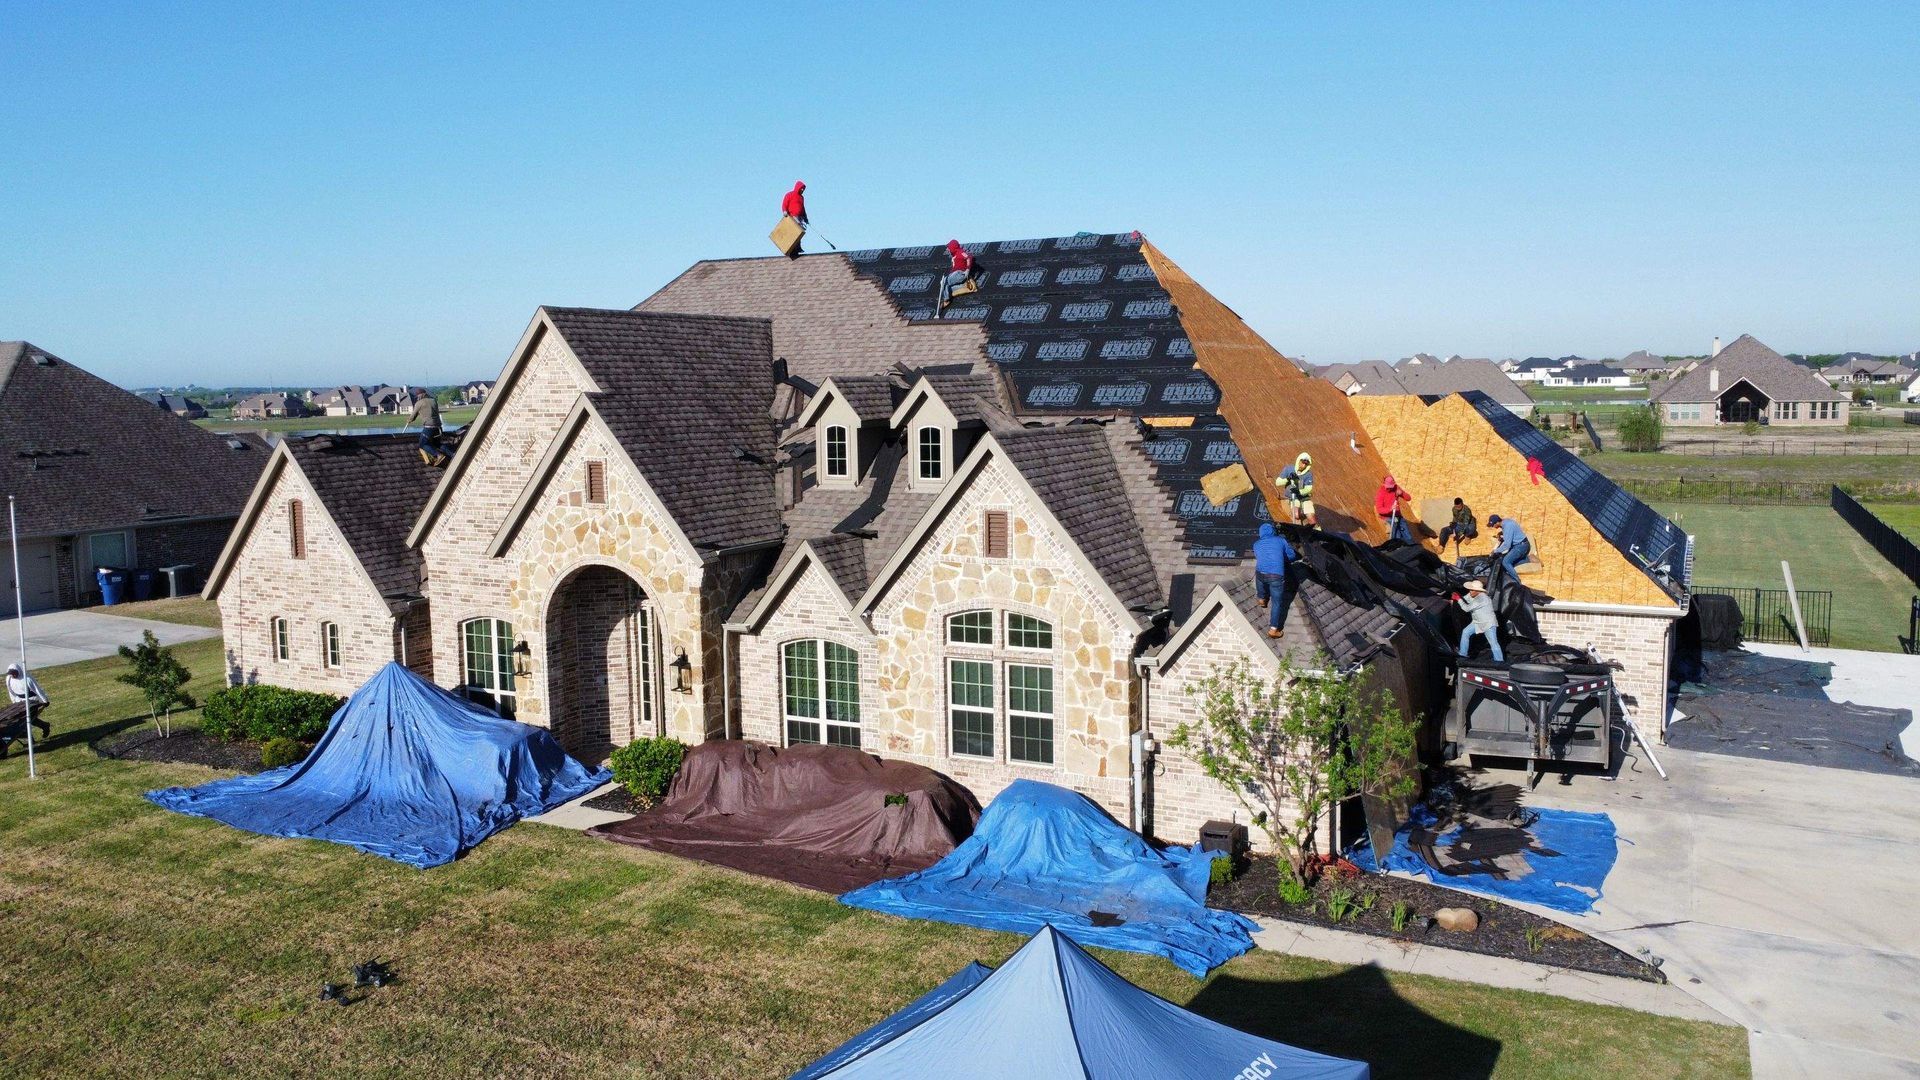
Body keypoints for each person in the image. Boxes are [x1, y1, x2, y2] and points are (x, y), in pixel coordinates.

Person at [1252, 522, 1297, 639]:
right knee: (1277, 602)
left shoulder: (1256, 544)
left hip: (1260, 574)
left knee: (1260, 577)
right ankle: (1273, 629)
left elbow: (1259, 556)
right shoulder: (1281, 540)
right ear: (1273, 531)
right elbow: (1291, 555)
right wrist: (1282, 559)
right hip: (1276, 576)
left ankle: (1262, 599)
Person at [2, 662, 51, 758]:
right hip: (20, 702)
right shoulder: (9, 679)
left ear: (18, 671)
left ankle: (33, 735)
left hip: (32, 701)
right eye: (11, 673)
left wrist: (45, 700)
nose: (13, 675)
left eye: (14, 673)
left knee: (28, 719)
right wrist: (14, 704)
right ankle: (43, 727)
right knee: (23, 720)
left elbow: (37, 689)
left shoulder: (27, 678)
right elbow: (11, 692)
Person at [1454, 579, 1503, 662]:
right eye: (1470, 590)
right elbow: (1465, 598)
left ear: (1478, 591)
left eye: (1472, 590)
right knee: (1465, 632)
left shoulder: (1482, 599)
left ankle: (1499, 660)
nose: (1470, 592)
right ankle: (1463, 653)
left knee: (1493, 642)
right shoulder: (1473, 594)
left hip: (1488, 623)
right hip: (1477, 622)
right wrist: (1457, 597)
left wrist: (1458, 599)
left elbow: (1467, 608)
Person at [936, 239, 976, 317]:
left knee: (944, 282)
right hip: (955, 274)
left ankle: (946, 300)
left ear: (953, 247)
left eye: (949, 247)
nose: (948, 249)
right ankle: (963, 286)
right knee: (946, 286)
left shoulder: (959, 252)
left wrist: (967, 270)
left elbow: (969, 257)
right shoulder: (954, 255)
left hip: (959, 273)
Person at [1277, 453, 1317, 528]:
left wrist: (1299, 492)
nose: (1303, 465)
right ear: (1298, 460)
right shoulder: (1288, 469)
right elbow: (1277, 483)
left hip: (1304, 497)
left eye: (1306, 464)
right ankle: (1301, 513)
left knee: (1312, 520)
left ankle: (1315, 531)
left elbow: (1309, 488)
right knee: (1296, 515)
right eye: (1302, 462)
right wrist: (1288, 478)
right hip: (1293, 498)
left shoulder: (1308, 474)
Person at [409, 392, 448, 466]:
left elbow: (413, 416)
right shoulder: (433, 401)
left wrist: (409, 420)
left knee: (422, 444)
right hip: (438, 426)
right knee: (437, 444)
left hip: (429, 427)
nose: (417, 397)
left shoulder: (419, 403)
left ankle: (438, 455)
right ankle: (452, 454)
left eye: (417, 396)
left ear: (420, 395)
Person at [1374, 474, 1413, 544]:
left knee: (1408, 536)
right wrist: (1390, 509)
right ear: (1384, 484)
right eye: (1388, 487)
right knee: (1397, 536)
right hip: (1387, 517)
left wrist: (1402, 493)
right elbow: (1379, 510)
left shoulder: (1396, 488)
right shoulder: (1381, 493)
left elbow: (1408, 498)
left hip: (1397, 515)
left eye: (1390, 487)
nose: (1389, 489)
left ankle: (1411, 545)